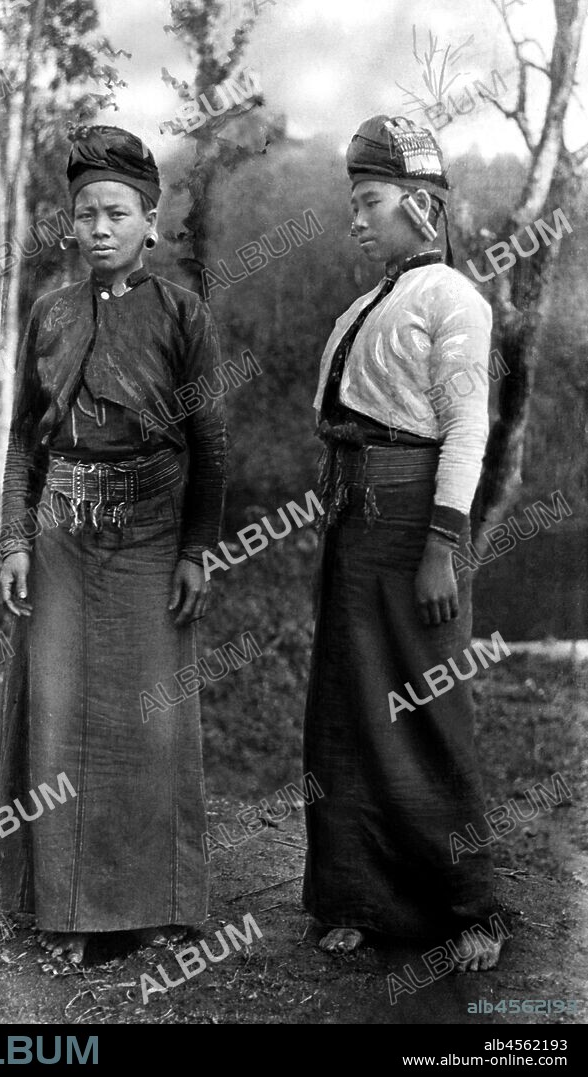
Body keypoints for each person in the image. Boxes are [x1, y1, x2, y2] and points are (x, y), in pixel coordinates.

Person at [0, 125, 227, 964]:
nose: (98, 227)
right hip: (60, 534)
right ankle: (67, 914)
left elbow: (212, 444)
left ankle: (156, 905)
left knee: (149, 724)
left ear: (149, 221)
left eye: (117, 212)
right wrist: (14, 541)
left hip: (151, 534)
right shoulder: (49, 312)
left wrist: (198, 551)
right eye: (85, 212)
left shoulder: (179, 312)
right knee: (59, 723)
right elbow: (26, 439)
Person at [304, 115, 503, 971]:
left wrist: (439, 549)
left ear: (422, 207)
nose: (356, 218)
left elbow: (466, 428)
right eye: (351, 201)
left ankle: (471, 910)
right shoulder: (367, 302)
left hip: (415, 522)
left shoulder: (452, 298)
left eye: (370, 201)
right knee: (347, 709)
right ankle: (358, 896)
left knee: (427, 710)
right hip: (353, 519)